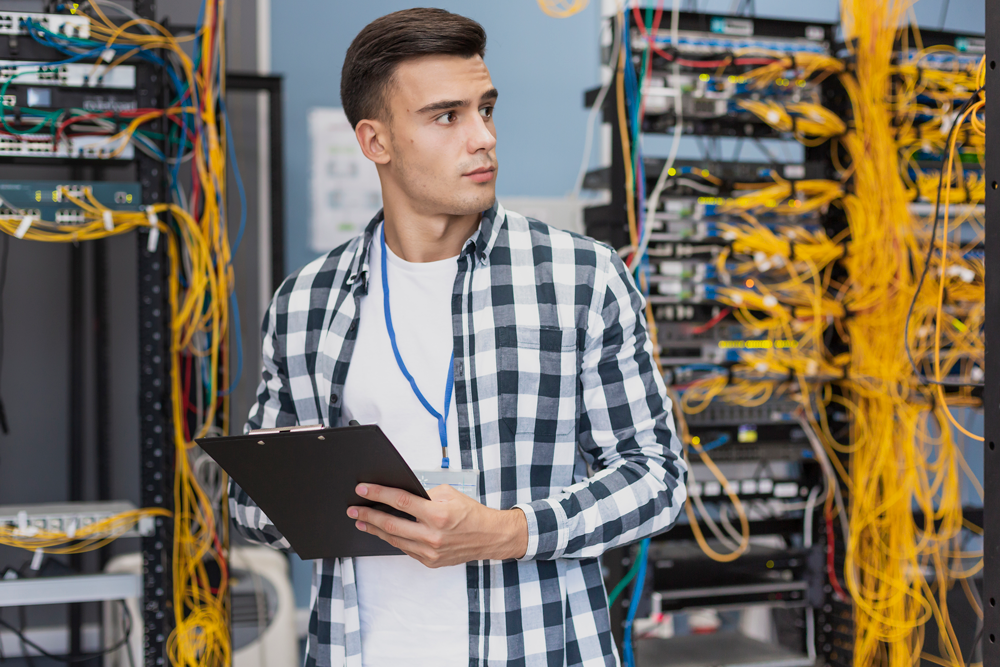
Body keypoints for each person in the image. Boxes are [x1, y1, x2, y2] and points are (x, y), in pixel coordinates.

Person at [229, 7, 687, 667]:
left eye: (487, 109)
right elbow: (250, 503)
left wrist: (508, 531)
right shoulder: (307, 301)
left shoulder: (580, 278)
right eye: (447, 116)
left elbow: (657, 478)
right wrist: (329, 499)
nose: (483, 138)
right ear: (375, 141)